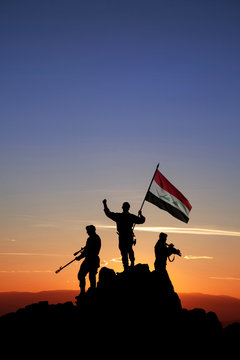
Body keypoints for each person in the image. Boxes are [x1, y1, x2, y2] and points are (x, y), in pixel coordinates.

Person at [103, 199, 145, 271]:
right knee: (128, 250)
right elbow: (142, 220)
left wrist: (104, 204)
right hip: (127, 236)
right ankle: (131, 265)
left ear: (122, 207)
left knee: (124, 251)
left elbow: (108, 213)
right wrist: (141, 214)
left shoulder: (119, 216)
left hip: (123, 236)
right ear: (128, 208)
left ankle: (127, 267)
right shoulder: (130, 216)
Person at [76, 225, 101, 294]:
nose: (87, 232)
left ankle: (84, 292)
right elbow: (87, 250)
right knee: (91, 276)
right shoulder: (94, 238)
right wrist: (81, 256)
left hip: (91, 260)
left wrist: (80, 257)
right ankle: (90, 290)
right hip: (93, 260)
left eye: (88, 231)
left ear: (92, 230)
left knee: (83, 275)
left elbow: (87, 250)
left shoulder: (92, 239)